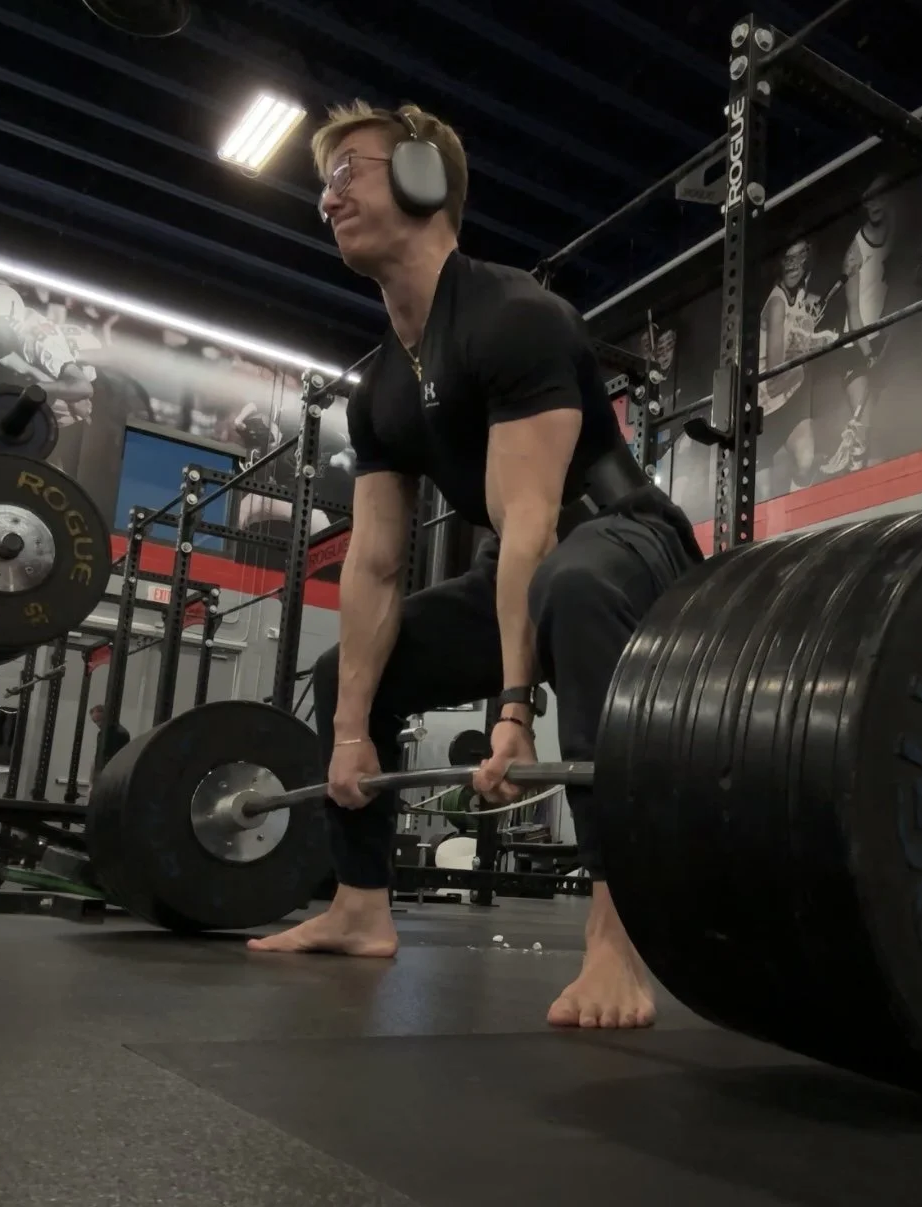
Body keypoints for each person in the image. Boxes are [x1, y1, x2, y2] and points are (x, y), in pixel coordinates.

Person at [246, 100, 703, 1030]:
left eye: (349, 172)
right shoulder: (378, 385)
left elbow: (533, 524)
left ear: (421, 180)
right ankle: (360, 904)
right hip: (528, 563)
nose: (326, 198)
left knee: (565, 582)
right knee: (353, 668)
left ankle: (617, 936)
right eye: (321, 182)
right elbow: (374, 568)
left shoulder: (515, 315)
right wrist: (347, 735)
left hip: (627, 544)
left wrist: (511, 711)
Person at [821, 177, 896, 477]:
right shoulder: (855, 249)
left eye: (879, 197)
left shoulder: (898, 233)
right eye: (868, 199)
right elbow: (853, 309)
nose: (874, 204)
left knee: (881, 425)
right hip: (857, 344)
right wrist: (867, 352)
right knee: (862, 421)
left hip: (884, 338)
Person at [755, 239, 839, 499]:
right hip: (764, 406)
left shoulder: (799, 295)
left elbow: (800, 328)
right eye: (787, 259)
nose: (794, 266)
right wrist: (812, 345)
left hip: (790, 396)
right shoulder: (777, 303)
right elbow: (774, 374)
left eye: (800, 258)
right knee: (763, 494)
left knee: (806, 459)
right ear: (779, 262)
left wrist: (812, 332)